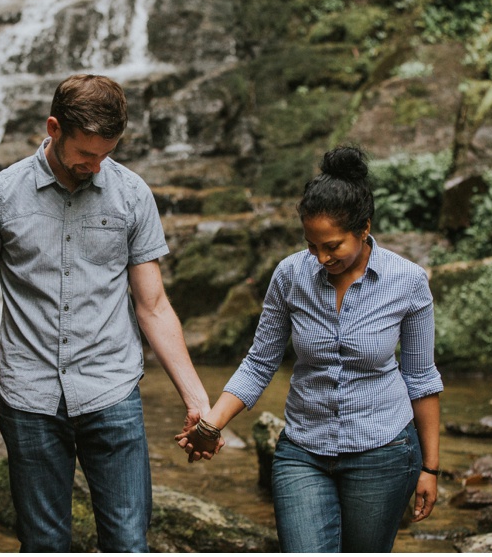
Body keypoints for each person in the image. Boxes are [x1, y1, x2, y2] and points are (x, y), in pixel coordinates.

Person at [0, 73, 217, 553]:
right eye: (86, 154)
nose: (96, 166)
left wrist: (195, 397)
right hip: (28, 397)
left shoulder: (132, 195)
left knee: (129, 544)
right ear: (53, 128)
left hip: (112, 390)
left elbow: (152, 305)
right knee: (45, 545)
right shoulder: (0, 196)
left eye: (106, 154)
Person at [177, 145, 443, 553]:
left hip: (383, 452)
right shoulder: (289, 275)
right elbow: (260, 362)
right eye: (311, 245)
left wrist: (430, 467)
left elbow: (422, 380)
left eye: (332, 246)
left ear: (365, 227)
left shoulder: (407, 281)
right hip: (303, 451)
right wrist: (212, 424)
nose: (320, 257)